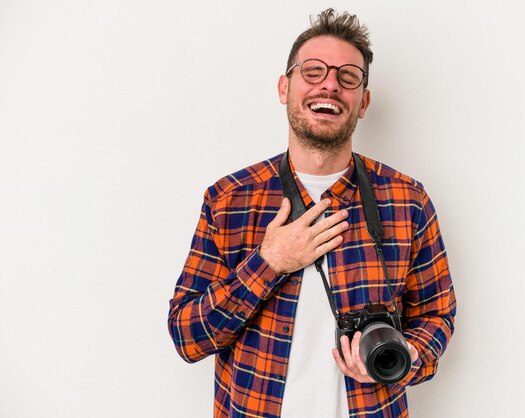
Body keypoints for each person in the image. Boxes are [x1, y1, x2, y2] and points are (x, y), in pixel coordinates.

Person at [168, 8, 456, 418]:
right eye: (314, 71)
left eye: (348, 77)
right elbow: (187, 335)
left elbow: (437, 314)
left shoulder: (407, 201)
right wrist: (269, 263)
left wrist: (407, 355)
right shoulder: (230, 199)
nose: (330, 86)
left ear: (363, 102)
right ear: (284, 87)